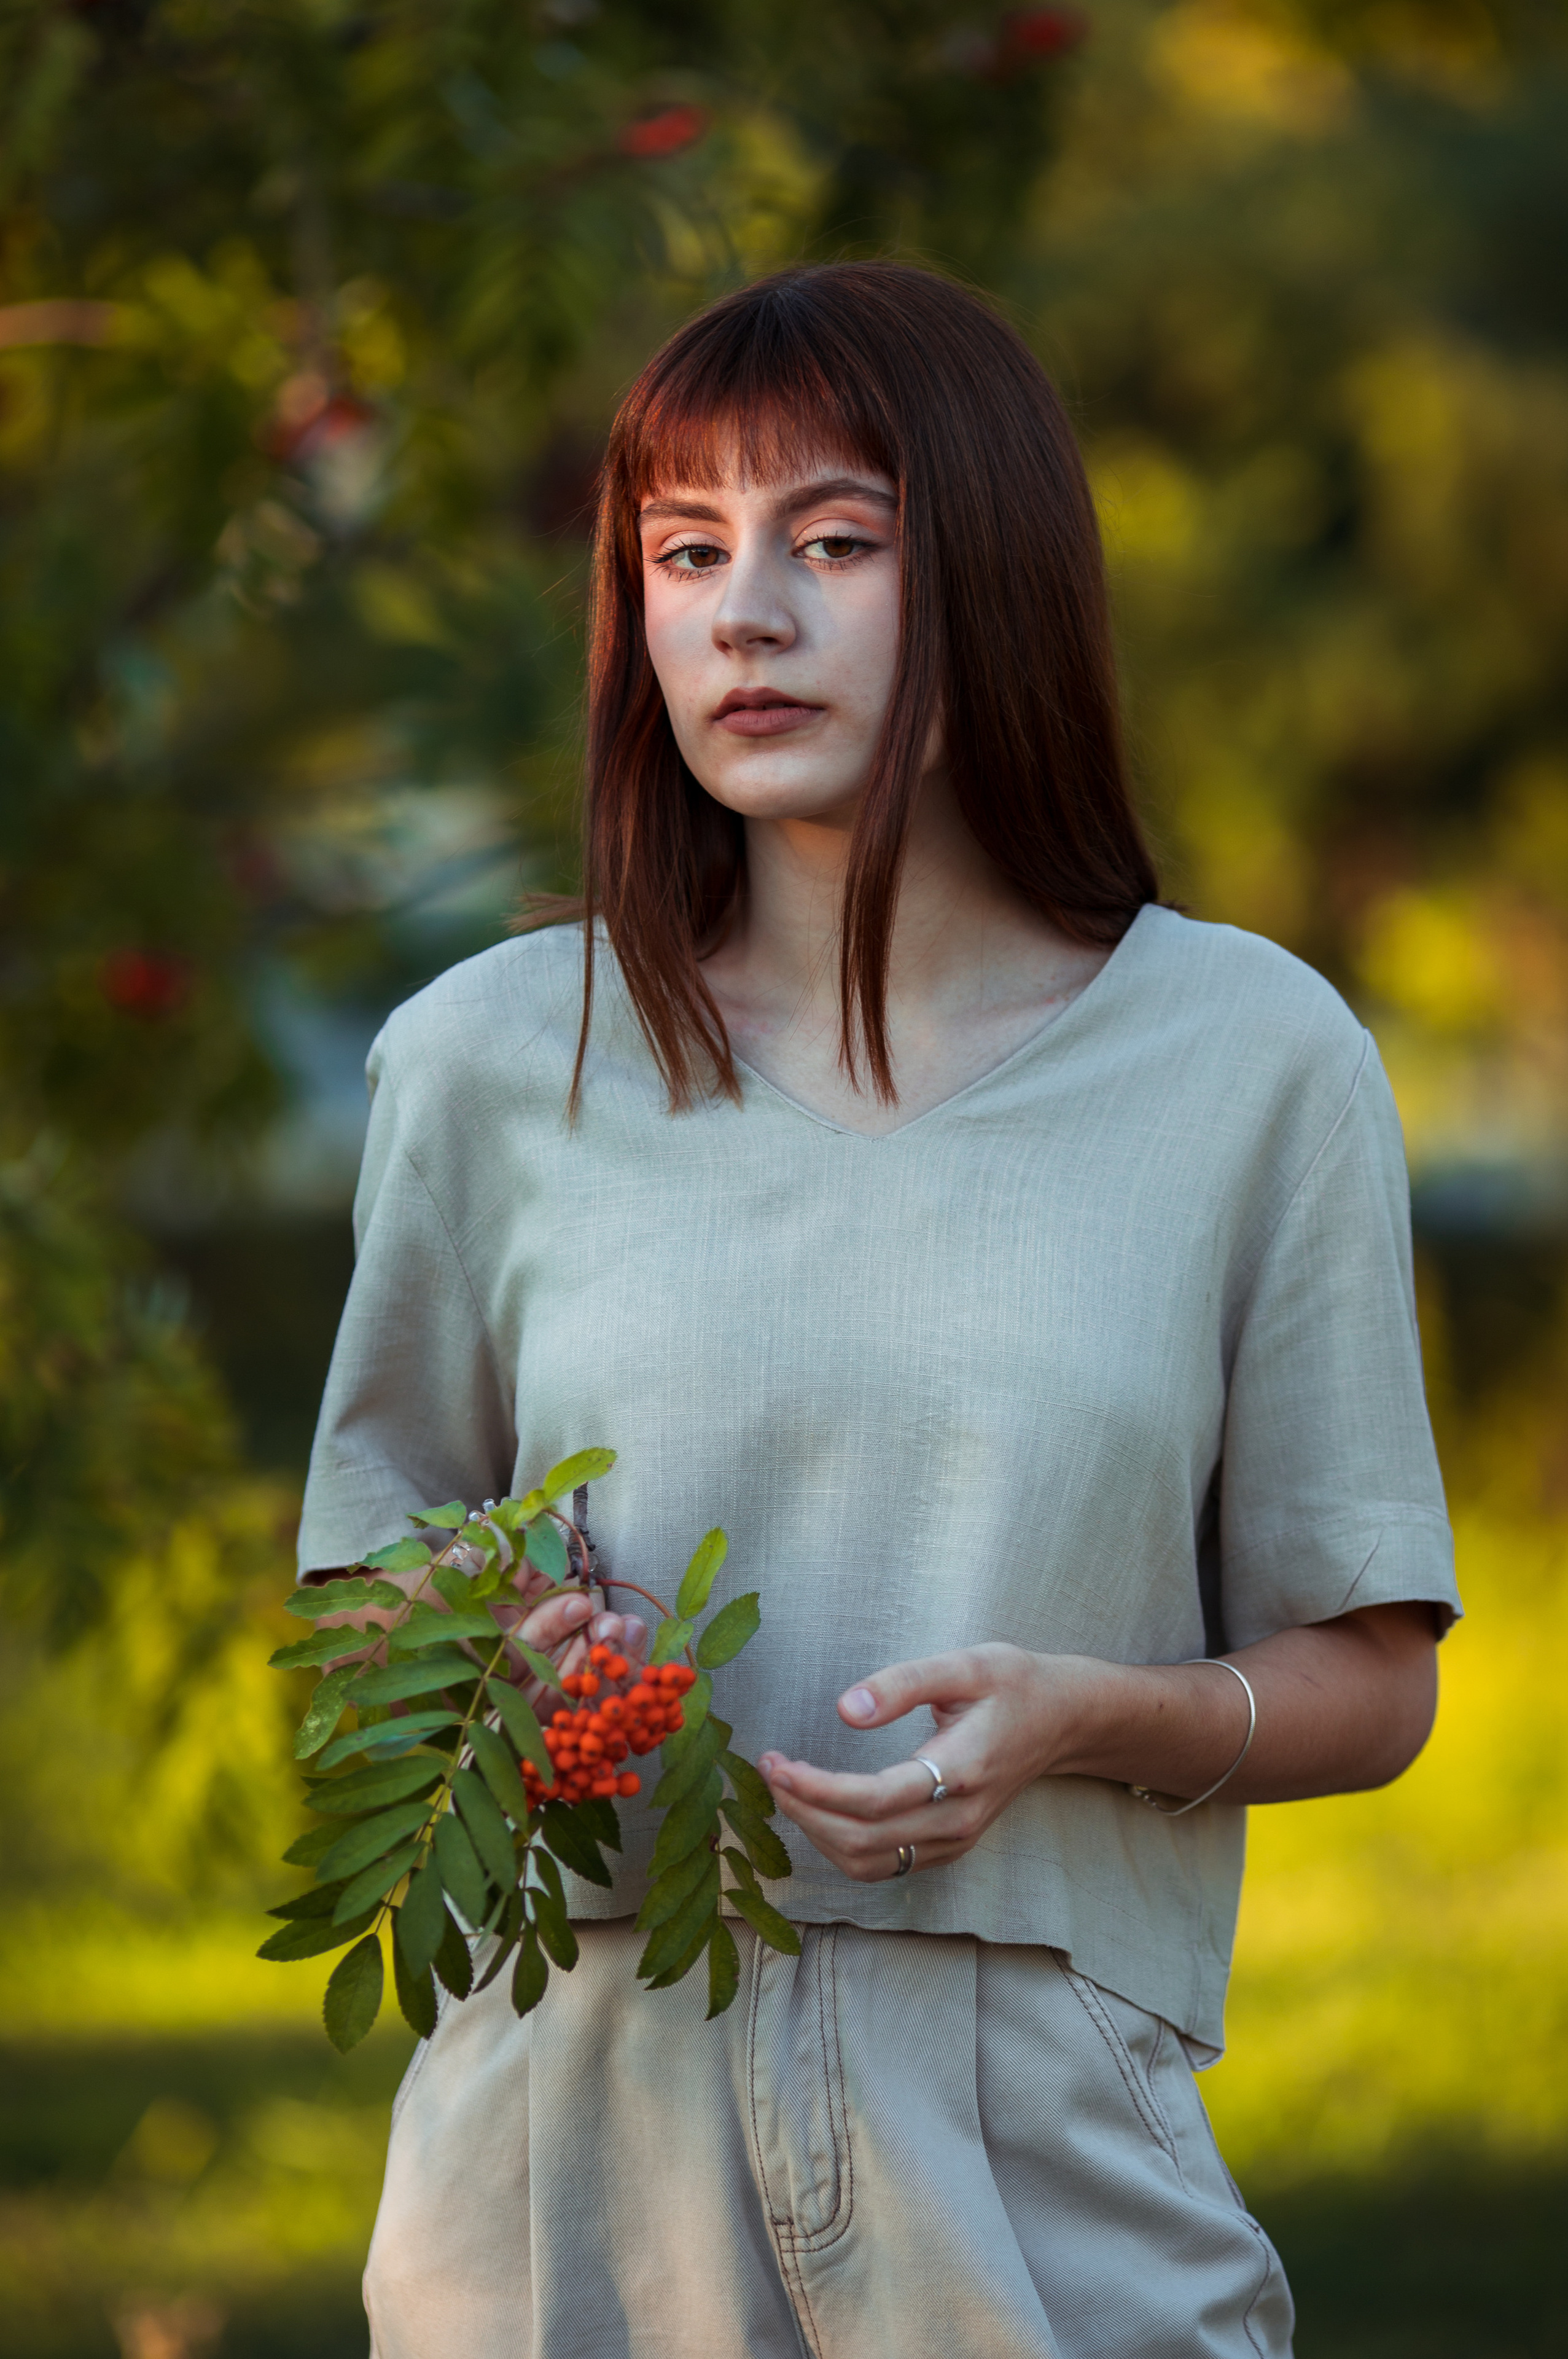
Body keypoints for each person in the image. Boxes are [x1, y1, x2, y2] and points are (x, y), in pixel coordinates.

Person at [299, 260, 1459, 2359]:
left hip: (1037, 2141)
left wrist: (1094, 1717)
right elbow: (367, 1602)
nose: (744, 615)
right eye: (685, 553)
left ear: (996, 573)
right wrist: (491, 1643)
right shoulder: (488, 1059)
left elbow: (1375, 1677)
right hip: (570, 2136)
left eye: (832, 543)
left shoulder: (1252, 1057)